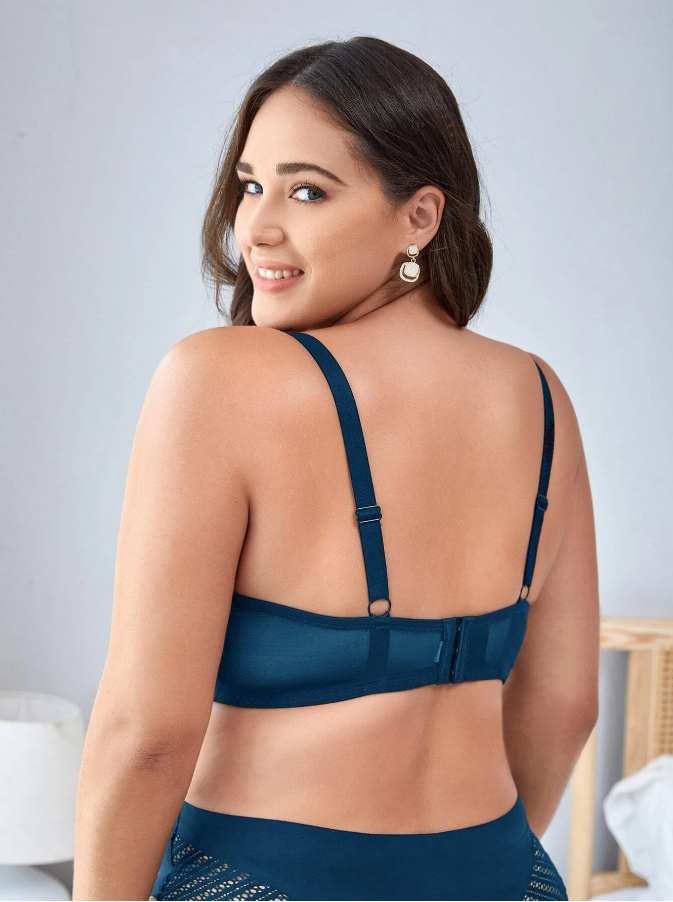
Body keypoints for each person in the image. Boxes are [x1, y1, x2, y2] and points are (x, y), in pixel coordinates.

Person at [73, 35, 599, 901]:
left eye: (307, 190)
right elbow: (565, 704)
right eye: (250, 184)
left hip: (262, 879)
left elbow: (146, 735)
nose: (256, 227)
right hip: (502, 876)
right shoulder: (539, 394)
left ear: (419, 217)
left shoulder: (221, 379)